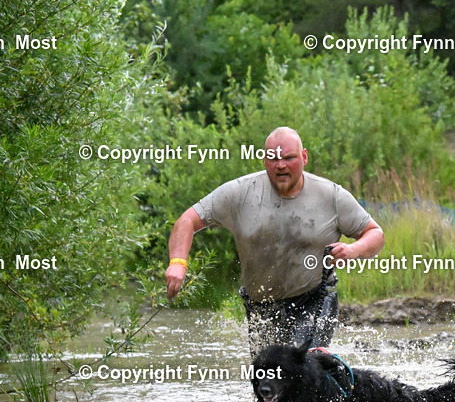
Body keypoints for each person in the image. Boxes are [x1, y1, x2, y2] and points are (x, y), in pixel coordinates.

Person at [165, 127, 385, 350]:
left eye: (289, 158)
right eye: (274, 158)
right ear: (264, 159)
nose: (281, 165)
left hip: (315, 297)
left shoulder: (331, 196)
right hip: (261, 307)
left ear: (304, 157)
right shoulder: (239, 193)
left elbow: (375, 234)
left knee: (304, 365)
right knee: (268, 381)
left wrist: (354, 250)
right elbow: (186, 221)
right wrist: (178, 263)